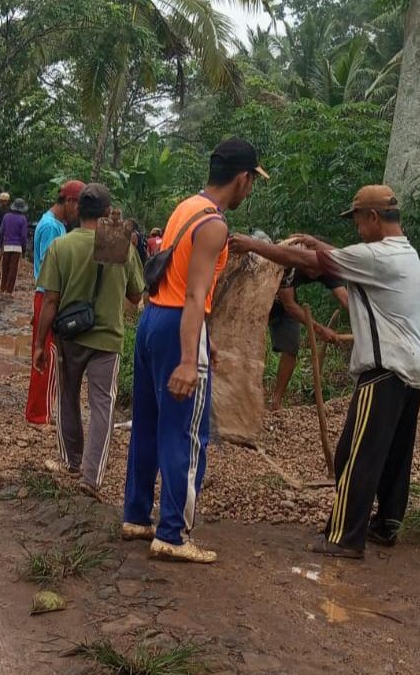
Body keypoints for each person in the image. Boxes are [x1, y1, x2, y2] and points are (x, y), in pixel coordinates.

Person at [229, 184, 420, 559]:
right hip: (411, 368)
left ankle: (344, 538)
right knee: (393, 456)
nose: (356, 229)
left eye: (357, 221)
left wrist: (253, 245)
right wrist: (313, 239)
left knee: (355, 455)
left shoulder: (378, 256)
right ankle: (386, 526)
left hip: (384, 370)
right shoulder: (406, 252)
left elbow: (313, 263)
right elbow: (334, 254)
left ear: (372, 218)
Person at [122, 138, 268, 564]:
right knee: (185, 432)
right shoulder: (214, 225)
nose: (250, 190)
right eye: (252, 182)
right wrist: (190, 358)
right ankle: (173, 532)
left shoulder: (186, 208)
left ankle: (136, 516)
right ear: (242, 179)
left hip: (153, 320)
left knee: (149, 422)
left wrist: (206, 342)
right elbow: (194, 294)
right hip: (176, 325)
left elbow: (174, 279)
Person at [33, 184, 144, 499]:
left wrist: (41, 344)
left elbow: (50, 300)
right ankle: (92, 477)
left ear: (78, 210)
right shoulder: (118, 244)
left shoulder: (61, 246)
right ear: (108, 212)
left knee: (67, 397)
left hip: (69, 336)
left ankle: (72, 460)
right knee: (102, 406)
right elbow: (136, 295)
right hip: (106, 338)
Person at [26, 180, 84, 425]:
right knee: (46, 354)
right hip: (49, 294)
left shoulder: (55, 224)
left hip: (46, 294)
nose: (80, 213)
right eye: (79, 206)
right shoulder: (52, 227)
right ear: (69, 201)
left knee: (46, 352)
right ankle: (39, 414)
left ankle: (40, 410)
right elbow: (53, 271)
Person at [268, 263, 349, 411]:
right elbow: (290, 306)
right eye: (310, 268)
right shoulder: (288, 264)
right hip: (260, 297)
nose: (313, 273)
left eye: (317, 271)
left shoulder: (326, 268)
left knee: (290, 348)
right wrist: (320, 329)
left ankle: (275, 402)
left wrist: (368, 323)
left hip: (282, 303)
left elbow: (346, 300)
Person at [0, 198, 30, 294]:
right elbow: (24, 236)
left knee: (5, 267)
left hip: (7, 245)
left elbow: (1, 232)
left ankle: (2, 288)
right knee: (13, 269)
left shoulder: (6, 217)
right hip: (17, 247)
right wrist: (24, 249)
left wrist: (0, 245)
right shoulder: (23, 219)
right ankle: (9, 291)